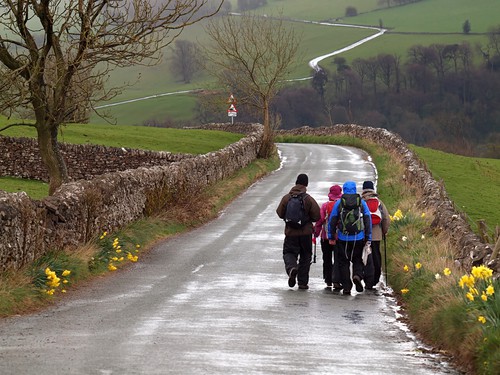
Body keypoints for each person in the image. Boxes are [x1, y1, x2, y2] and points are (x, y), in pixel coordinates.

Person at [276, 173, 320, 290]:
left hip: (291, 233)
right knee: (305, 257)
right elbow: (317, 216)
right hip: (306, 234)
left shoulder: (287, 198)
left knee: (289, 253)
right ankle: (302, 283)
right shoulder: (308, 199)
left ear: (296, 183)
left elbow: (280, 213)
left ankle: (291, 268)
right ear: (306, 184)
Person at [327, 181, 372, 295]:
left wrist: (331, 236)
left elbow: (332, 219)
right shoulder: (360, 202)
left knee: (343, 262)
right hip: (358, 237)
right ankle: (357, 275)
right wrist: (368, 237)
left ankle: (347, 286)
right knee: (357, 260)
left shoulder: (339, 203)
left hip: (343, 237)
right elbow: (367, 219)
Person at [361, 180, 390, 289]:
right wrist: (384, 231)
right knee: (376, 255)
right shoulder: (379, 202)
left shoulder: (361, 201)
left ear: (364, 189)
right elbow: (386, 218)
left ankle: (367, 278)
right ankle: (375, 279)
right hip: (377, 234)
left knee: (365, 256)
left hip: (363, 234)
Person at [313, 184, 343, 290]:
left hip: (325, 237)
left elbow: (319, 221)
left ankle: (328, 279)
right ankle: (337, 279)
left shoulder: (325, 206)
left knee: (327, 258)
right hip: (339, 237)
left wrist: (316, 234)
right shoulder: (342, 205)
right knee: (338, 258)